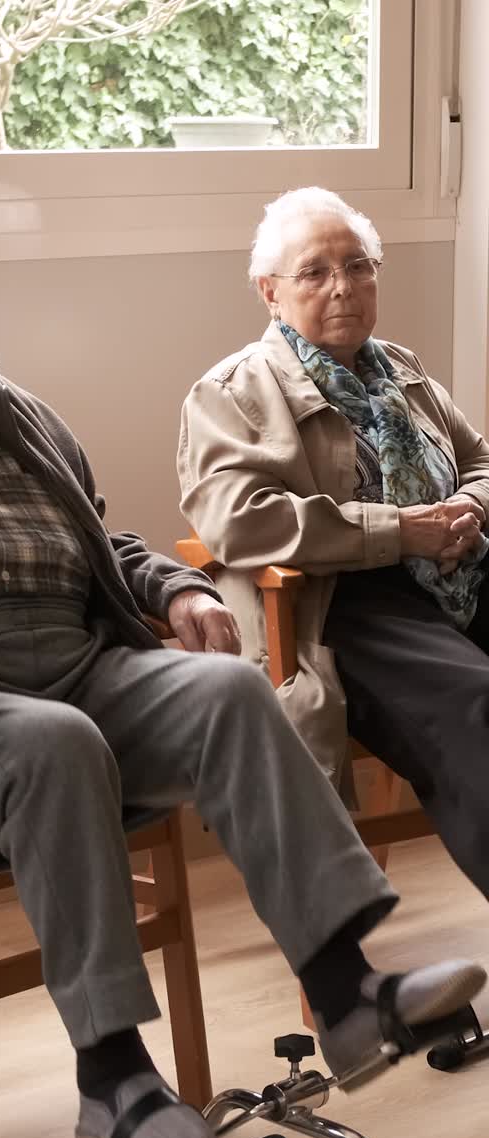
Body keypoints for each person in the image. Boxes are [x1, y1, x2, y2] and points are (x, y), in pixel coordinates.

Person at [0, 168, 483, 1138]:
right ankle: (113, 1079)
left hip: (74, 654)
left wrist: (172, 586)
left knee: (231, 690)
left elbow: (98, 536)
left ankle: (347, 995)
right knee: (56, 743)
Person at [179, 186, 489, 908]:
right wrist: (399, 530)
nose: (342, 286)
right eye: (314, 272)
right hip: (343, 599)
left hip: (458, 571)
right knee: (476, 704)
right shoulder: (232, 392)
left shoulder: (403, 370)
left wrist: (469, 506)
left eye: (357, 266)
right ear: (270, 292)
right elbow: (238, 520)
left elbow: (479, 459)